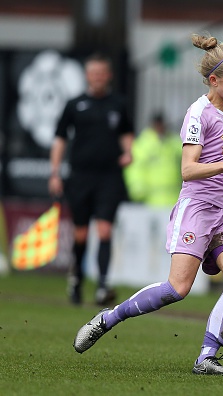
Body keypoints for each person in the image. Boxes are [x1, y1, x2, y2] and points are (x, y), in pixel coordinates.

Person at [72, 34, 223, 377]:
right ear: (214, 80)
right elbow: (188, 170)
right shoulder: (199, 113)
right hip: (198, 208)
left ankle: (206, 356)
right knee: (178, 289)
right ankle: (107, 319)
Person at [49, 53, 134, 306]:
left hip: (109, 177)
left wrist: (128, 152)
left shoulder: (118, 104)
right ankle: (76, 278)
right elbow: (60, 138)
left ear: (108, 76)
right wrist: (55, 172)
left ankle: (103, 284)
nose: (97, 78)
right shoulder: (75, 104)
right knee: (81, 233)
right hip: (80, 177)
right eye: (93, 73)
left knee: (105, 229)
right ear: (87, 76)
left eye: (101, 73)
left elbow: (127, 133)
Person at [124, 113, 182, 207]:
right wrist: (137, 187)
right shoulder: (144, 144)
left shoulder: (173, 142)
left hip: (174, 197)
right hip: (150, 199)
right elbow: (136, 167)